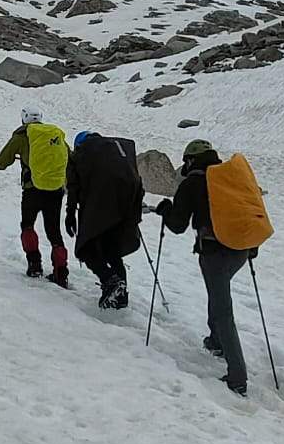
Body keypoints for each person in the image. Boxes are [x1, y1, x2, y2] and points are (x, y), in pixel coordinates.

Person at [155, 140, 252, 396]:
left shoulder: (193, 183)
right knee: (218, 294)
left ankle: (237, 376)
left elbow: (177, 225)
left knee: (223, 310)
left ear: (190, 160)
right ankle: (216, 341)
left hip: (214, 251)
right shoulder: (229, 178)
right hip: (240, 249)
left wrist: (165, 210)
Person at [0, 109, 71, 286]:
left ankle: (34, 265)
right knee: (54, 231)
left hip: (32, 189)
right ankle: (61, 272)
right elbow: (69, 158)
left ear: (24, 119)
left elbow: (3, 161)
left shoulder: (22, 137)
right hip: (55, 189)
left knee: (28, 225)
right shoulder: (55, 136)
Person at [66, 130, 144, 309]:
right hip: (125, 208)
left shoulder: (80, 154)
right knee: (112, 251)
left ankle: (110, 282)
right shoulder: (117, 152)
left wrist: (70, 214)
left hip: (99, 207)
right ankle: (120, 297)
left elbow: (73, 187)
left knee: (86, 249)